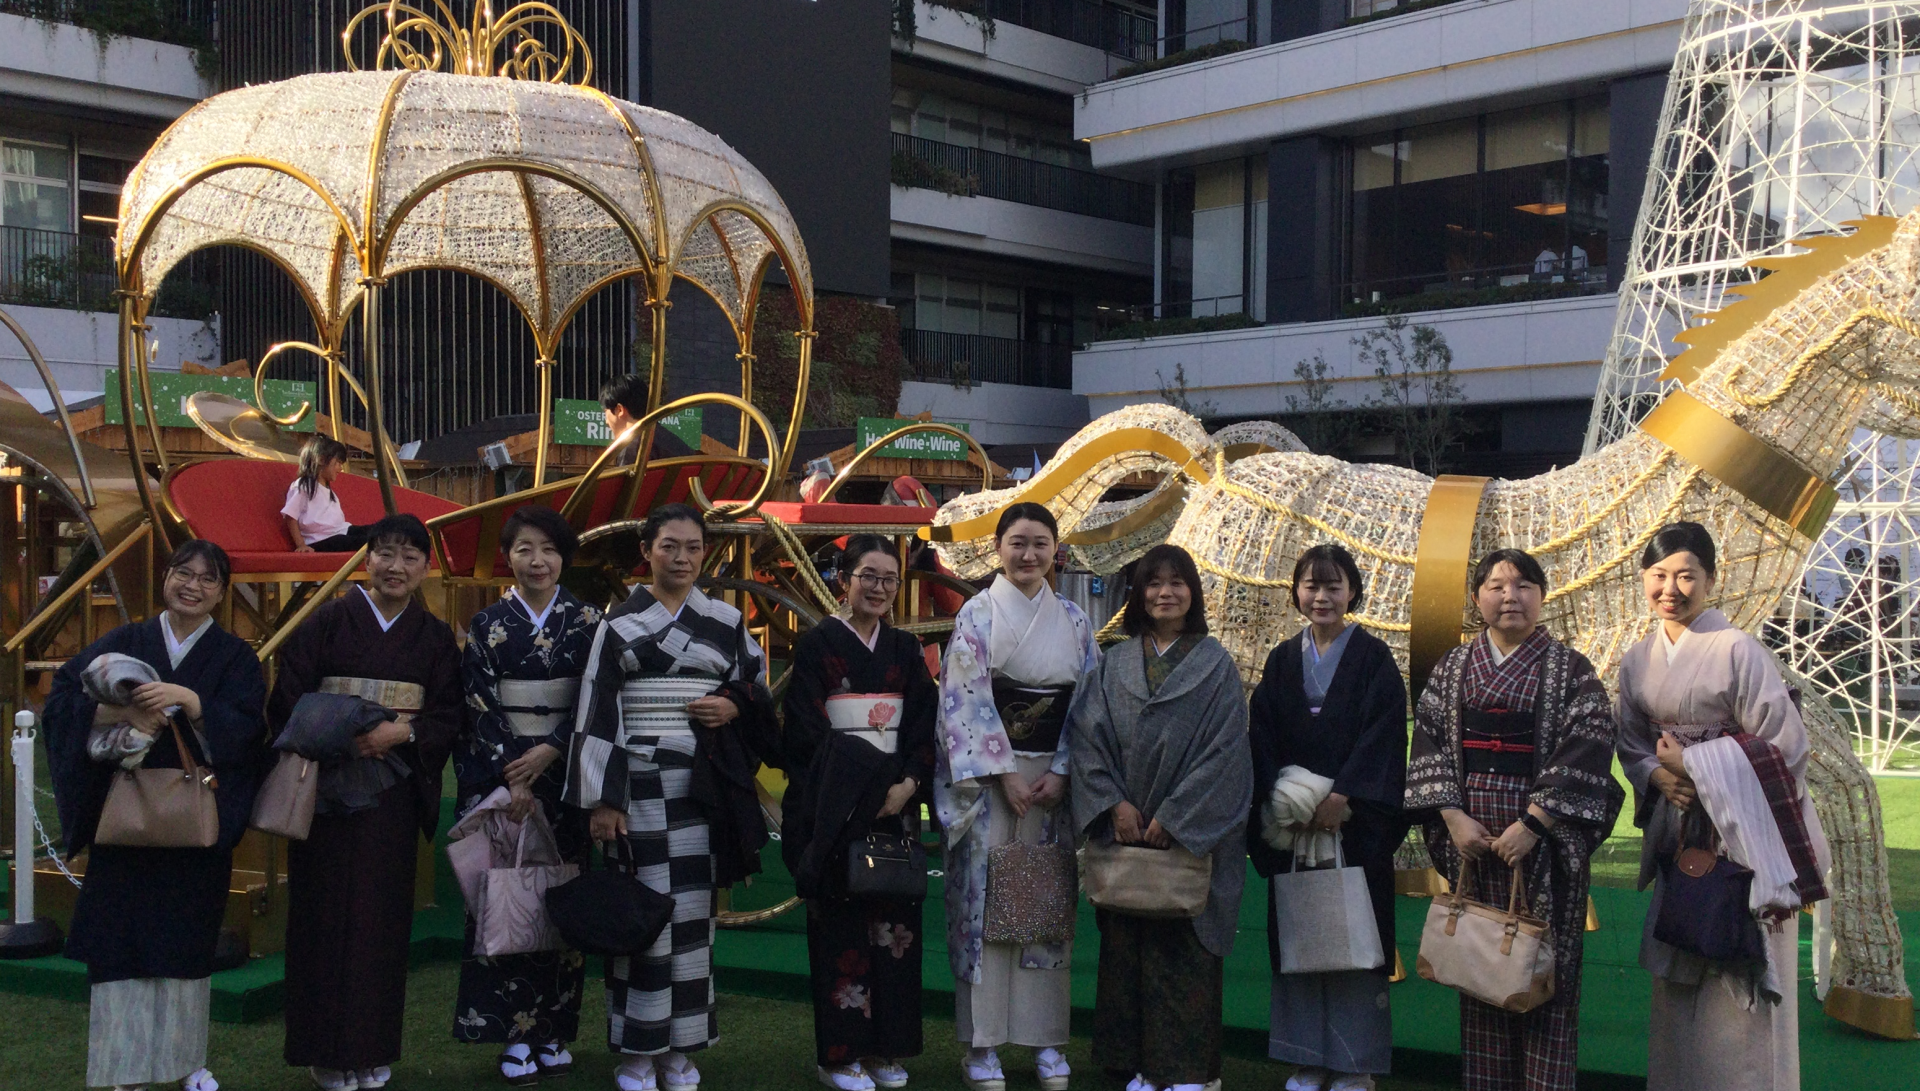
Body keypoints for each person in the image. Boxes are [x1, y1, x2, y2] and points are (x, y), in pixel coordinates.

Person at [566, 503, 777, 1091]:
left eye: (692, 548)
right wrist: (604, 799)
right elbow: (597, 709)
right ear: (647, 551)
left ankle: (681, 1046)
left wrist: (734, 703)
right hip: (636, 786)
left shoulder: (726, 621)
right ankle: (638, 1051)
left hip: (701, 787)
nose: (681, 558)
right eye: (669, 546)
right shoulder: (618, 624)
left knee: (692, 920)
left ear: (703, 554)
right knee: (641, 917)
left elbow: (754, 688)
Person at [43, 539, 267, 1091]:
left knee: (185, 947)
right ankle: (125, 1070)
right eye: (182, 573)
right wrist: (119, 711)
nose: (191, 586)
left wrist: (194, 705)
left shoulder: (235, 657)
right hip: (125, 820)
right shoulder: (126, 640)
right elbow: (61, 704)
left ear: (222, 591)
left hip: (194, 826)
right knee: (120, 947)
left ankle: (186, 1064)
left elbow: (249, 734)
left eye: (207, 579)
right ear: (165, 577)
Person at [1614, 522, 1829, 1091]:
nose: (1671, 588)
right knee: (1683, 957)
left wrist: (1698, 769)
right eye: (1659, 575)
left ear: (1711, 579)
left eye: (1687, 575)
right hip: (1680, 827)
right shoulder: (1636, 661)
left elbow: (1786, 745)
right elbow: (1631, 741)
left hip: (1745, 834)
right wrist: (1660, 775)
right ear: (1644, 579)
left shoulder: (1739, 649)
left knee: (1741, 961)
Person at [1405, 548, 1622, 1091]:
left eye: (1523, 585)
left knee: (1545, 975)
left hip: (1542, 850)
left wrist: (1536, 823)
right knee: (1479, 972)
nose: (1510, 596)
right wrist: (1452, 817)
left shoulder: (1571, 670)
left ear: (1541, 596)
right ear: (1477, 598)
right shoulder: (1453, 668)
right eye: (1497, 586)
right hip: (1473, 847)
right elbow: (1427, 741)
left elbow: (1590, 744)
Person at [270, 513, 464, 1091]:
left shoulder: (433, 638)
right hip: (328, 792)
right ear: (366, 560)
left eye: (409, 556)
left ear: (425, 568)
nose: (395, 566)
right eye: (385, 553)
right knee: (322, 918)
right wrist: (339, 737)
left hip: (392, 795)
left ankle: (372, 1048)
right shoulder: (327, 622)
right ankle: (326, 1052)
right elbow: (288, 699)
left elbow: (449, 713)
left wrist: (400, 733)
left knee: (382, 921)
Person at [1069, 543, 1253, 1091]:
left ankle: (1189, 1072)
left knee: (1184, 952)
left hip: (1187, 836)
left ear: (1192, 592)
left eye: (1176, 582)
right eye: (1153, 583)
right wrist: (1113, 805)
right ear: (1139, 595)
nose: (1165, 593)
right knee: (1127, 952)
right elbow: (1087, 739)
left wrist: (1176, 817)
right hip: (1126, 830)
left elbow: (1227, 753)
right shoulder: (1115, 660)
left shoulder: (1216, 664)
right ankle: (1135, 1065)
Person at [933, 502, 1100, 1091]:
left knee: (1045, 907)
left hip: (1052, 784)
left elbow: (1088, 708)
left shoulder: (1076, 622)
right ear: (997, 549)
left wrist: (1061, 771)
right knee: (985, 904)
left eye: (1040, 544)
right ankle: (982, 1046)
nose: (1029, 555)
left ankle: (1047, 1039)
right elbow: (963, 695)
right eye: (1017, 543)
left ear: (1057, 550)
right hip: (989, 785)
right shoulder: (977, 615)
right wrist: (1002, 772)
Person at [778, 535, 939, 1091]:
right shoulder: (819, 645)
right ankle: (840, 1056)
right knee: (840, 929)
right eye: (867, 576)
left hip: (896, 804)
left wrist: (910, 782)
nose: (878, 588)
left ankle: (886, 1050)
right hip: (836, 809)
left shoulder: (905, 651)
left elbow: (922, 727)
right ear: (843, 578)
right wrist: (867, 789)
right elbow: (805, 731)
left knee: (895, 928)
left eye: (889, 580)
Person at [1247, 545, 1408, 1091]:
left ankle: (1354, 1064)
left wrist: (1345, 797)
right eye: (1311, 586)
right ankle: (1307, 1058)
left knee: (1354, 941)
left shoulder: (1373, 657)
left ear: (1353, 592)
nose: (1322, 597)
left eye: (1334, 586)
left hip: (1352, 824)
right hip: (1294, 826)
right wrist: (1284, 799)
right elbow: (1262, 735)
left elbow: (1386, 734)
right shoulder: (1280, 660)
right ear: (1296, 592)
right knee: (1302, 932)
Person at [454, 507, 603, 1084]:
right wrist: (510, 778)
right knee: (508, 900)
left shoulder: (590, 621)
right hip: (509, 784)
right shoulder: (487, 625)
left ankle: (555, 1028)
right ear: (507, 557)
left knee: (561, 903)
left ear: (564, 556)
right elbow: (478, 708)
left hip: (566, 784)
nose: (536, 560)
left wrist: (555, 749)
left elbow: (597, 700)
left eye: (547, 549)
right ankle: (513, 1035)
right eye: (523, 549)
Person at [283, 436, 369, 553]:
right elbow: (290, 516)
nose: (340, 468)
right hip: (320, 539)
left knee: (377, 530)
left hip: (341, 530)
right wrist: (301, 545)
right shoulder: (303, 486)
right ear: (321, 460)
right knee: (366, 541)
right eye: (338, 463)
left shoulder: (328, 489)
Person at [599, 375, 693, 466]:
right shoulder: (677, 445)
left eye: (605, 412)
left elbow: (628, 482)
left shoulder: (633, 448)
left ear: (619, 410)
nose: (606, 421)